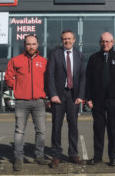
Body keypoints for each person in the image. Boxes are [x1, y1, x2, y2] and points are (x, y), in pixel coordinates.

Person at [5, 35, 48, 171]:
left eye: (33, 44)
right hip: (21, 102)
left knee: (41, 131)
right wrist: (15, 87)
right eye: (28, 44)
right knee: (19, 131)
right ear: (24, 45)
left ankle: (39, 156)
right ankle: (18, 158)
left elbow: (48, 80)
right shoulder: (16, 60)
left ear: (38, 45)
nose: (31, 46)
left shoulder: (44, 61)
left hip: (39, 102)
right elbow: (8, 76)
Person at [85, 32, 115, 166]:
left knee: (113, 130)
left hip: (114, 100)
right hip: (97, 100)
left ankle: (113, 157)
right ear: (100, 43)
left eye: (108, 41)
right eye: (103, 41)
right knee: (98, 129)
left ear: (113, 42)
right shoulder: (93, 58)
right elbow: (88, 80)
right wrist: (88, 98)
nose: (105, 44)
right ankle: (97, 157)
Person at [46, 30, 85, 168]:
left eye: (69, 38)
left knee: (73, 126)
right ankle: (56, 156)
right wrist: (52, 94)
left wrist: (81, 95)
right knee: (56, 126)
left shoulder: (79, 55)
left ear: (74, 40)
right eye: (64, 39)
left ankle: (73, 154)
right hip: (58, 96)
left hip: (73, 95)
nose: (67, 41)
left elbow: (82, 77)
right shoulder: (55, 54)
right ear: (62, 40)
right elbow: (49, 75)